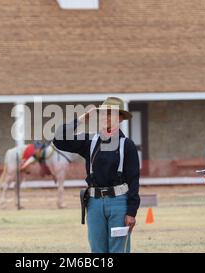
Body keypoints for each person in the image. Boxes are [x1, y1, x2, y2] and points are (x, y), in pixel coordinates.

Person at [53, 97, 140, 253]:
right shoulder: (90, 141)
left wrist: (131, 212)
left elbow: (134, 181)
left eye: (110, 114)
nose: (105, 117)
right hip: (94, 204)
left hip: (119, 203)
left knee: (118, 251)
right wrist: (80, 120)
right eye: (102, 113)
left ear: (119, 118)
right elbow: (59, 140)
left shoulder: (127, 145)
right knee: (97, 251)